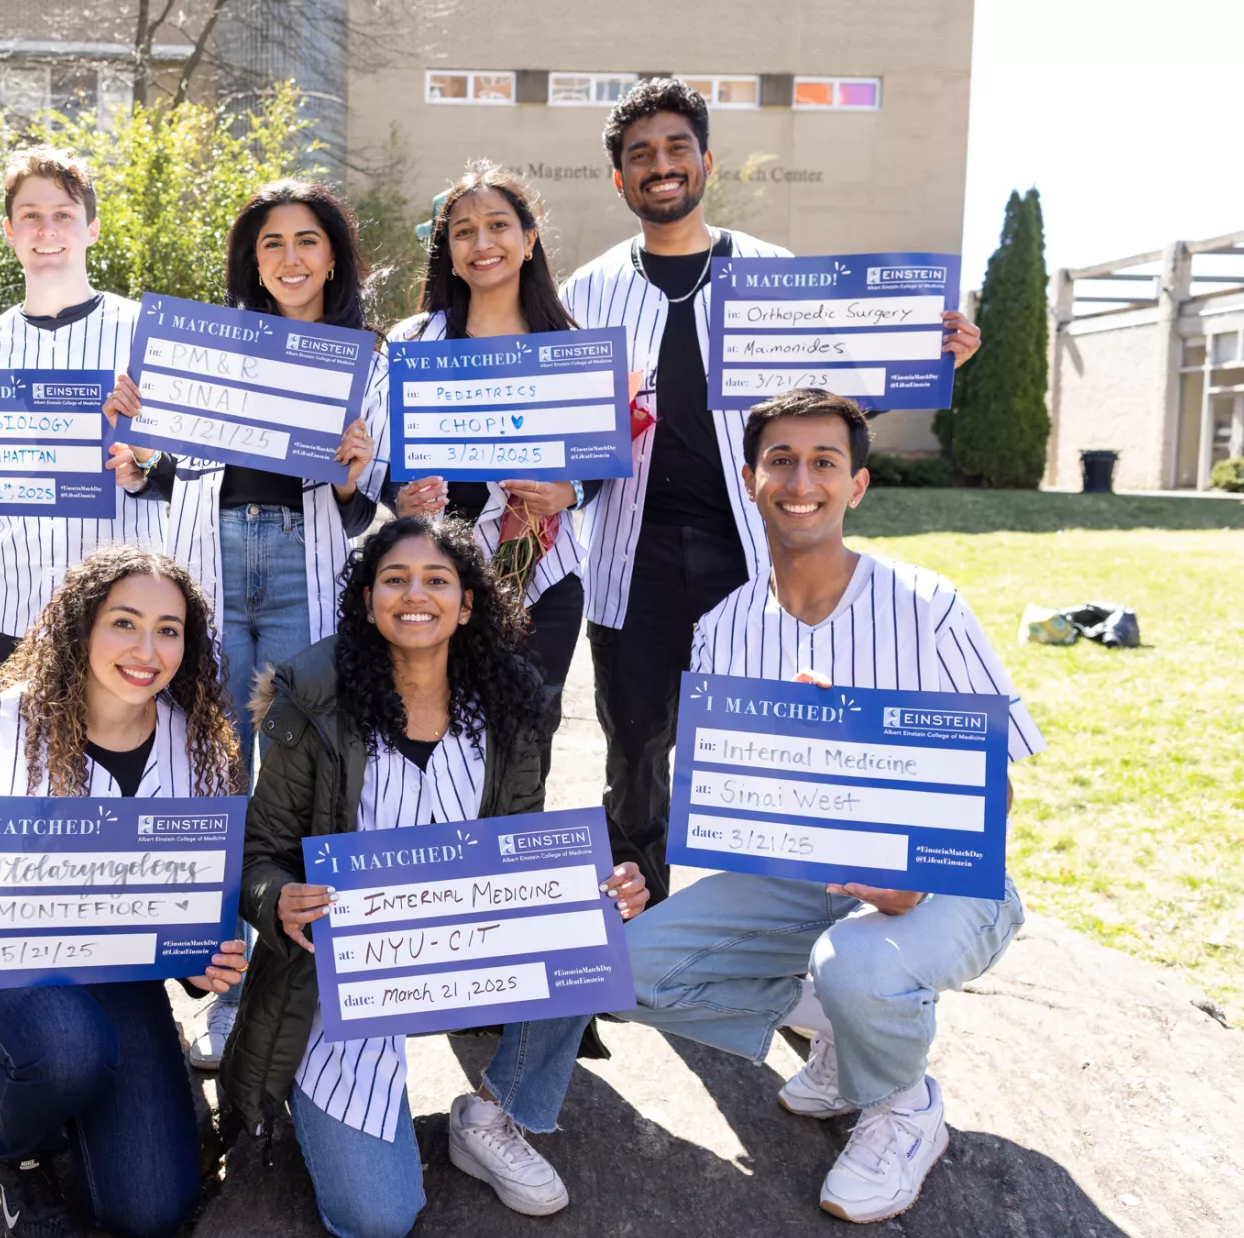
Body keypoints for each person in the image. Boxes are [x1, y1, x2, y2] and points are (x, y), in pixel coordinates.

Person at [619, 388, 1042, 1224]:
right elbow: (741, 790)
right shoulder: (724, 628)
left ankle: (901, 1104)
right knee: (625, 969)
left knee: (864, 967)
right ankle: (849, 1039)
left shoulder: (926, 605)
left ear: (857, 485)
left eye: (824, 462)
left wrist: (904, 872)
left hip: (950, 880)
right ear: (750, 479)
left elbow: (998, 782)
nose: (800, 479)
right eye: (780, 460)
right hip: (801, 877)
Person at [559, 78, 983, 905]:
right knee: (635, 756)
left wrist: (928, 359)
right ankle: (638, 938)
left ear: (706, 161)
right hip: (628, 563)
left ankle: (784, 948)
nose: (661, 166)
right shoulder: (585, 295)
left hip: (755, 561)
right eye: (640, 155)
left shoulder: (774, 276)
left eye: (678, 148)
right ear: (619, 180)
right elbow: (568, 432)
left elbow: (831, 405)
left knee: (780, 752)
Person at [218, 516, 650, 1237]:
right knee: (379, 1217)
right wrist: (276, 902)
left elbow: (520, 855)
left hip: (461, 958)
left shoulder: (511, 700)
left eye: (436, 580)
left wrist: (597, 889)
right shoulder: (311, 693)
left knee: (593, 932)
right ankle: (313, 1094)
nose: (414, 594)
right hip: (344, 976)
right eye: (394, 579)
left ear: (468, 602)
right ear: (365, 601)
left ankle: (491, 1113)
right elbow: (259, 853)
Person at [99, 179, 386, 1070]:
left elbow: (368, 503)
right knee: (214, 775)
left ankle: (300, 979)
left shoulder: (366, 358)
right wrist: (136, 458)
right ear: (251, 262)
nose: (291, 257)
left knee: (302, 781)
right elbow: (169, 468)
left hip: (305, 563)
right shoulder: (210, 347)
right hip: (214, 563)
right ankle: (220, 988)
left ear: (333, 254)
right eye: (271, 244)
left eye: (307, 240)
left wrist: (351, 473)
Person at [0, 547, 248, 1238]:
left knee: (151, 1210)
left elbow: (195, 921)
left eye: (170, 629)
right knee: (67, 1047)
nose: (147, 649)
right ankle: (21, 1157)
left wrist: (209, 965)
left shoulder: (198, 746)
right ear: (82, 626)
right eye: (125, 622)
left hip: (117, 974)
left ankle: (125, 1069)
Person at [385, 162, 588, 770]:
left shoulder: (571, 344)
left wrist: (569, 490)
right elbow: (388, 464)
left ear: (529, 241)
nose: (482, 243)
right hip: (435, 579)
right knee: (431, 742)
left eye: (498, 225)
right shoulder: (416, 343)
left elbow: (600, 459)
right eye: (463, 231)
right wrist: (401, 498)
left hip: (545, 581)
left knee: (525, 748)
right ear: (446, 250)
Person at [0, 145, 169, 681]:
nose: (47, 229)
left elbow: (192, 476)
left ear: (91, 228)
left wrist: (144, 463)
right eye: (31, 216)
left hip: (125, 609)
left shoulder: (146, 334)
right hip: (14, 606)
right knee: (15, 764)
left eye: (63, 215)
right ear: (9, 230)